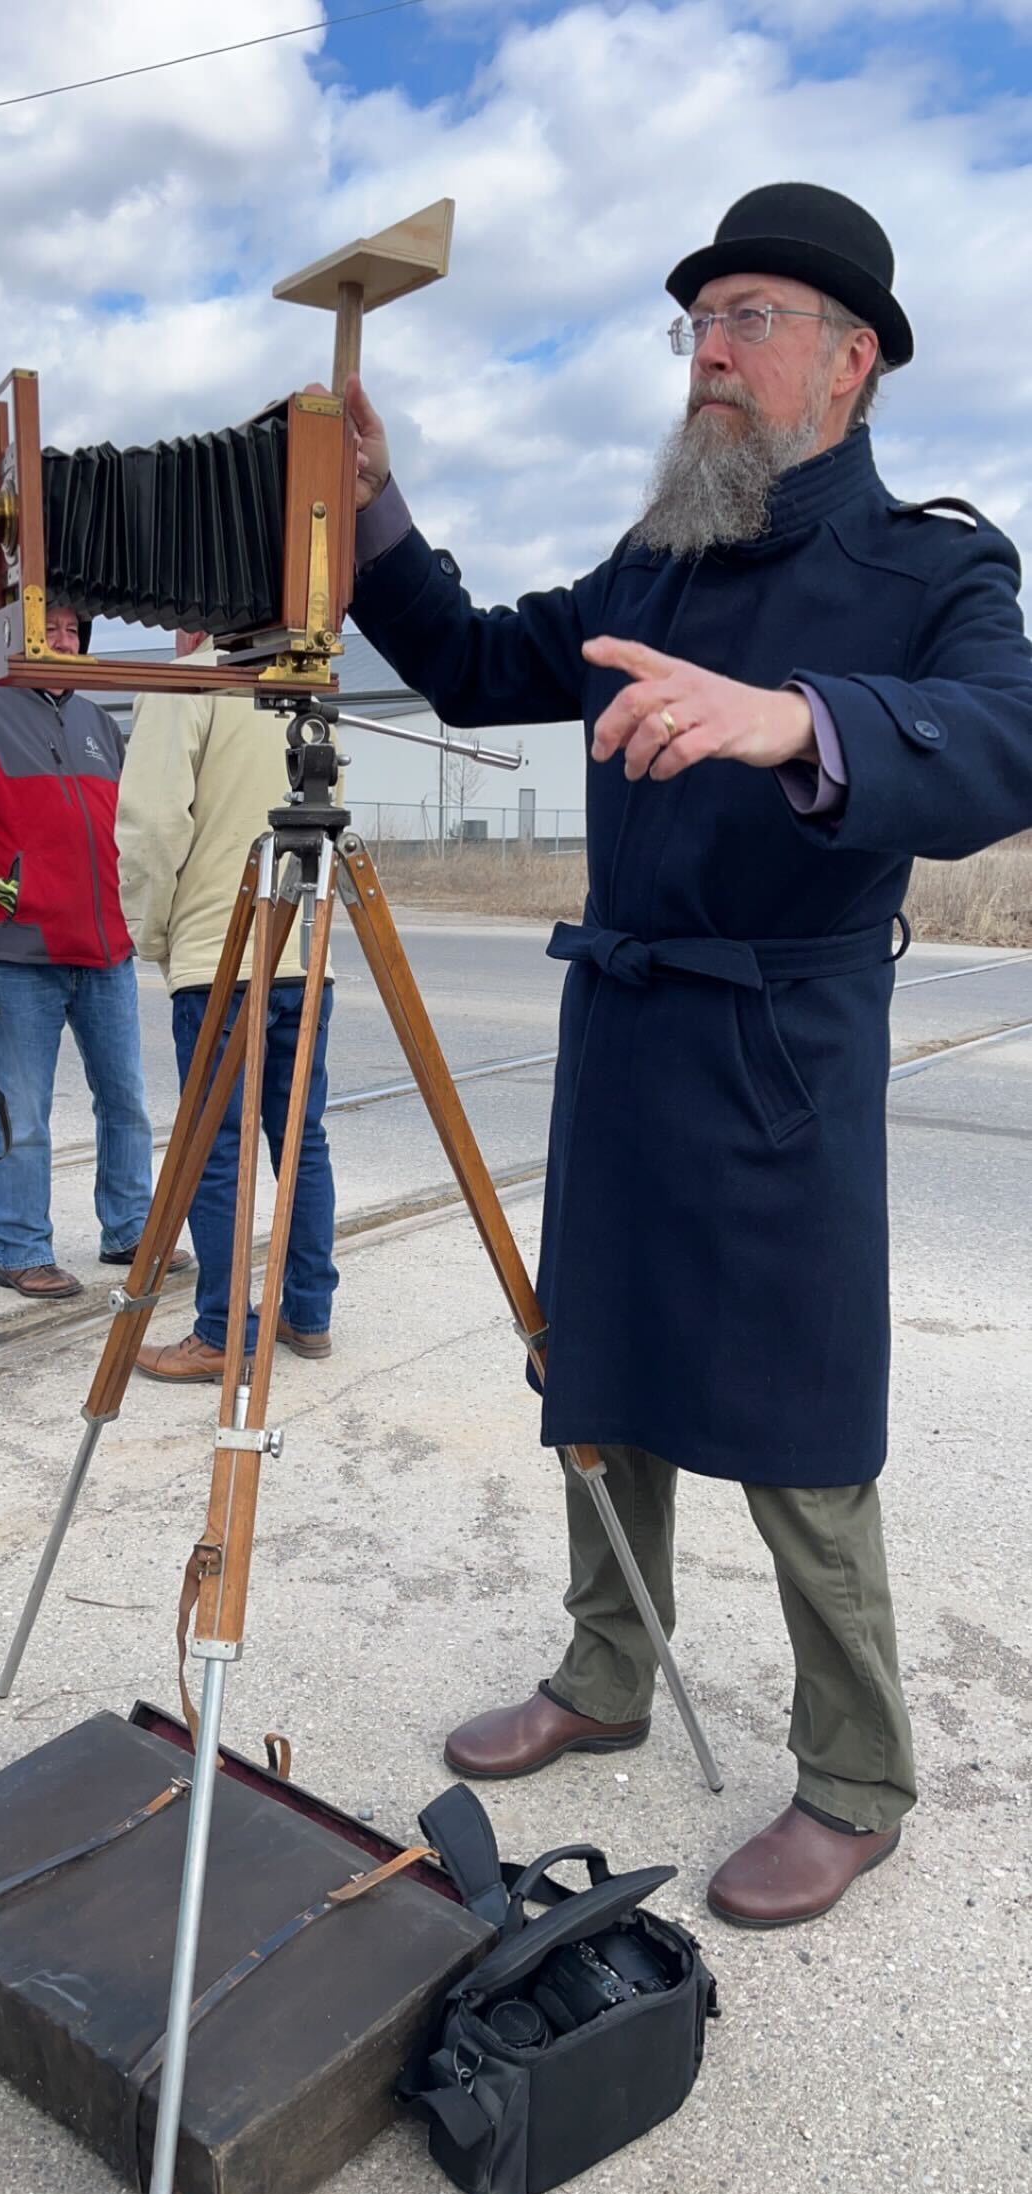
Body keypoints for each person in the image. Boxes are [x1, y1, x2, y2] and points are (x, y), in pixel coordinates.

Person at [341, 182, 1032, 1929]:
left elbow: (1002, 744)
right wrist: (370, 515)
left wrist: (799, 719)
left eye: (745, 320)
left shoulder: (932, 567)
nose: (706, 356)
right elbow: (484, 660)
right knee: (597, 1367)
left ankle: (856, 1773)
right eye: (694, 324)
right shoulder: (658, 556)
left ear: (846, 360)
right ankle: (604, 1671)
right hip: (622, 1021)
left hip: (781, 1041)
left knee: (797, 1415)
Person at [0, 599, 189, 1298]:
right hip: (16, 953)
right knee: (25, 1109)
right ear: (14, 634)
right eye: (50, 629)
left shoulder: (98, 722)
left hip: (106, 952)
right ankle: (20, 1248)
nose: (64, 642)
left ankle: (130, 1230)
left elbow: (131, 831)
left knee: (126, 1101)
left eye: (74, 631)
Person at [116, 631, 339, 1380]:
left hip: (221, 949)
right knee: (300, 1141)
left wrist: (152, 935)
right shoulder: (304, 685)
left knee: (218, 1154)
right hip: (305, 954)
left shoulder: (187, 684)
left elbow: (149, 825)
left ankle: (222, 1331)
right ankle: (307, 1314)